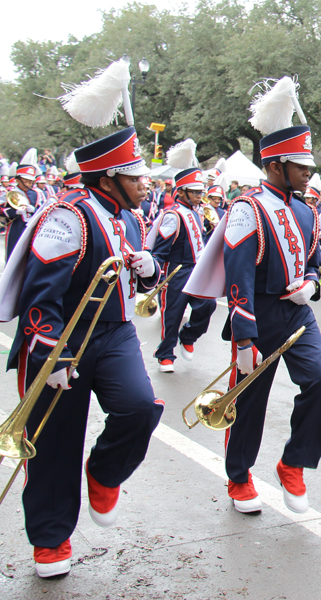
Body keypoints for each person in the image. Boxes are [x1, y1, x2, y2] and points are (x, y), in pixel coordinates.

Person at [0, 61, 163, 577]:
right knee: (52, 443)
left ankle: (105, 473)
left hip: (113, 334)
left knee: (140, 407)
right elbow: (39, 295)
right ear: (110, 175)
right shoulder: (67, 214)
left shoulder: (131, 217)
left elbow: (135, 282)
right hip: (62, 339)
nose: (145, 183)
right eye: (137, 174)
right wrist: (52, 354)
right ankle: (50, 540)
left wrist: (149, 267)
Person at [184, 77, 321, 514]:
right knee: (249, 399)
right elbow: (237, 279)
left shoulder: (307, 209)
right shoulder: (246, 208)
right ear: (275, 166)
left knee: (320, 383)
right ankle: (238, 477)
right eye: (301, 165)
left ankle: (294, 463)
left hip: (297, 314)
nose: (309, 173)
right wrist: (245, 336)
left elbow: (312, 261)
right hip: (259, 314)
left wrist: (311, 284)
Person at [147, 141, 218, 373]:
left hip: (196, 269)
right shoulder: (172, 216)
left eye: (201, 192)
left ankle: (188, 335)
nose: (200, 196)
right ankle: (165, 354)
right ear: (181, 192)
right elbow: (160, 250)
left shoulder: (198, 213)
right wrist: (157, 276)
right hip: (176, 271)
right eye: (195, 192)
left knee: (207, 305)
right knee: (172, 315)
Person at [1, 158, 39, 258]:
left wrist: (34, 210)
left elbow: (42, 210)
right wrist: (14, 211)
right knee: (13, 256)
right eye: (26, 181)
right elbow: (1, 210)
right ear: (17, 179)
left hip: (31, 228)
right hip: (16, 228)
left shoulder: (35, 194)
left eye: (31, 181)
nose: (29, 184)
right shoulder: (8, 192)